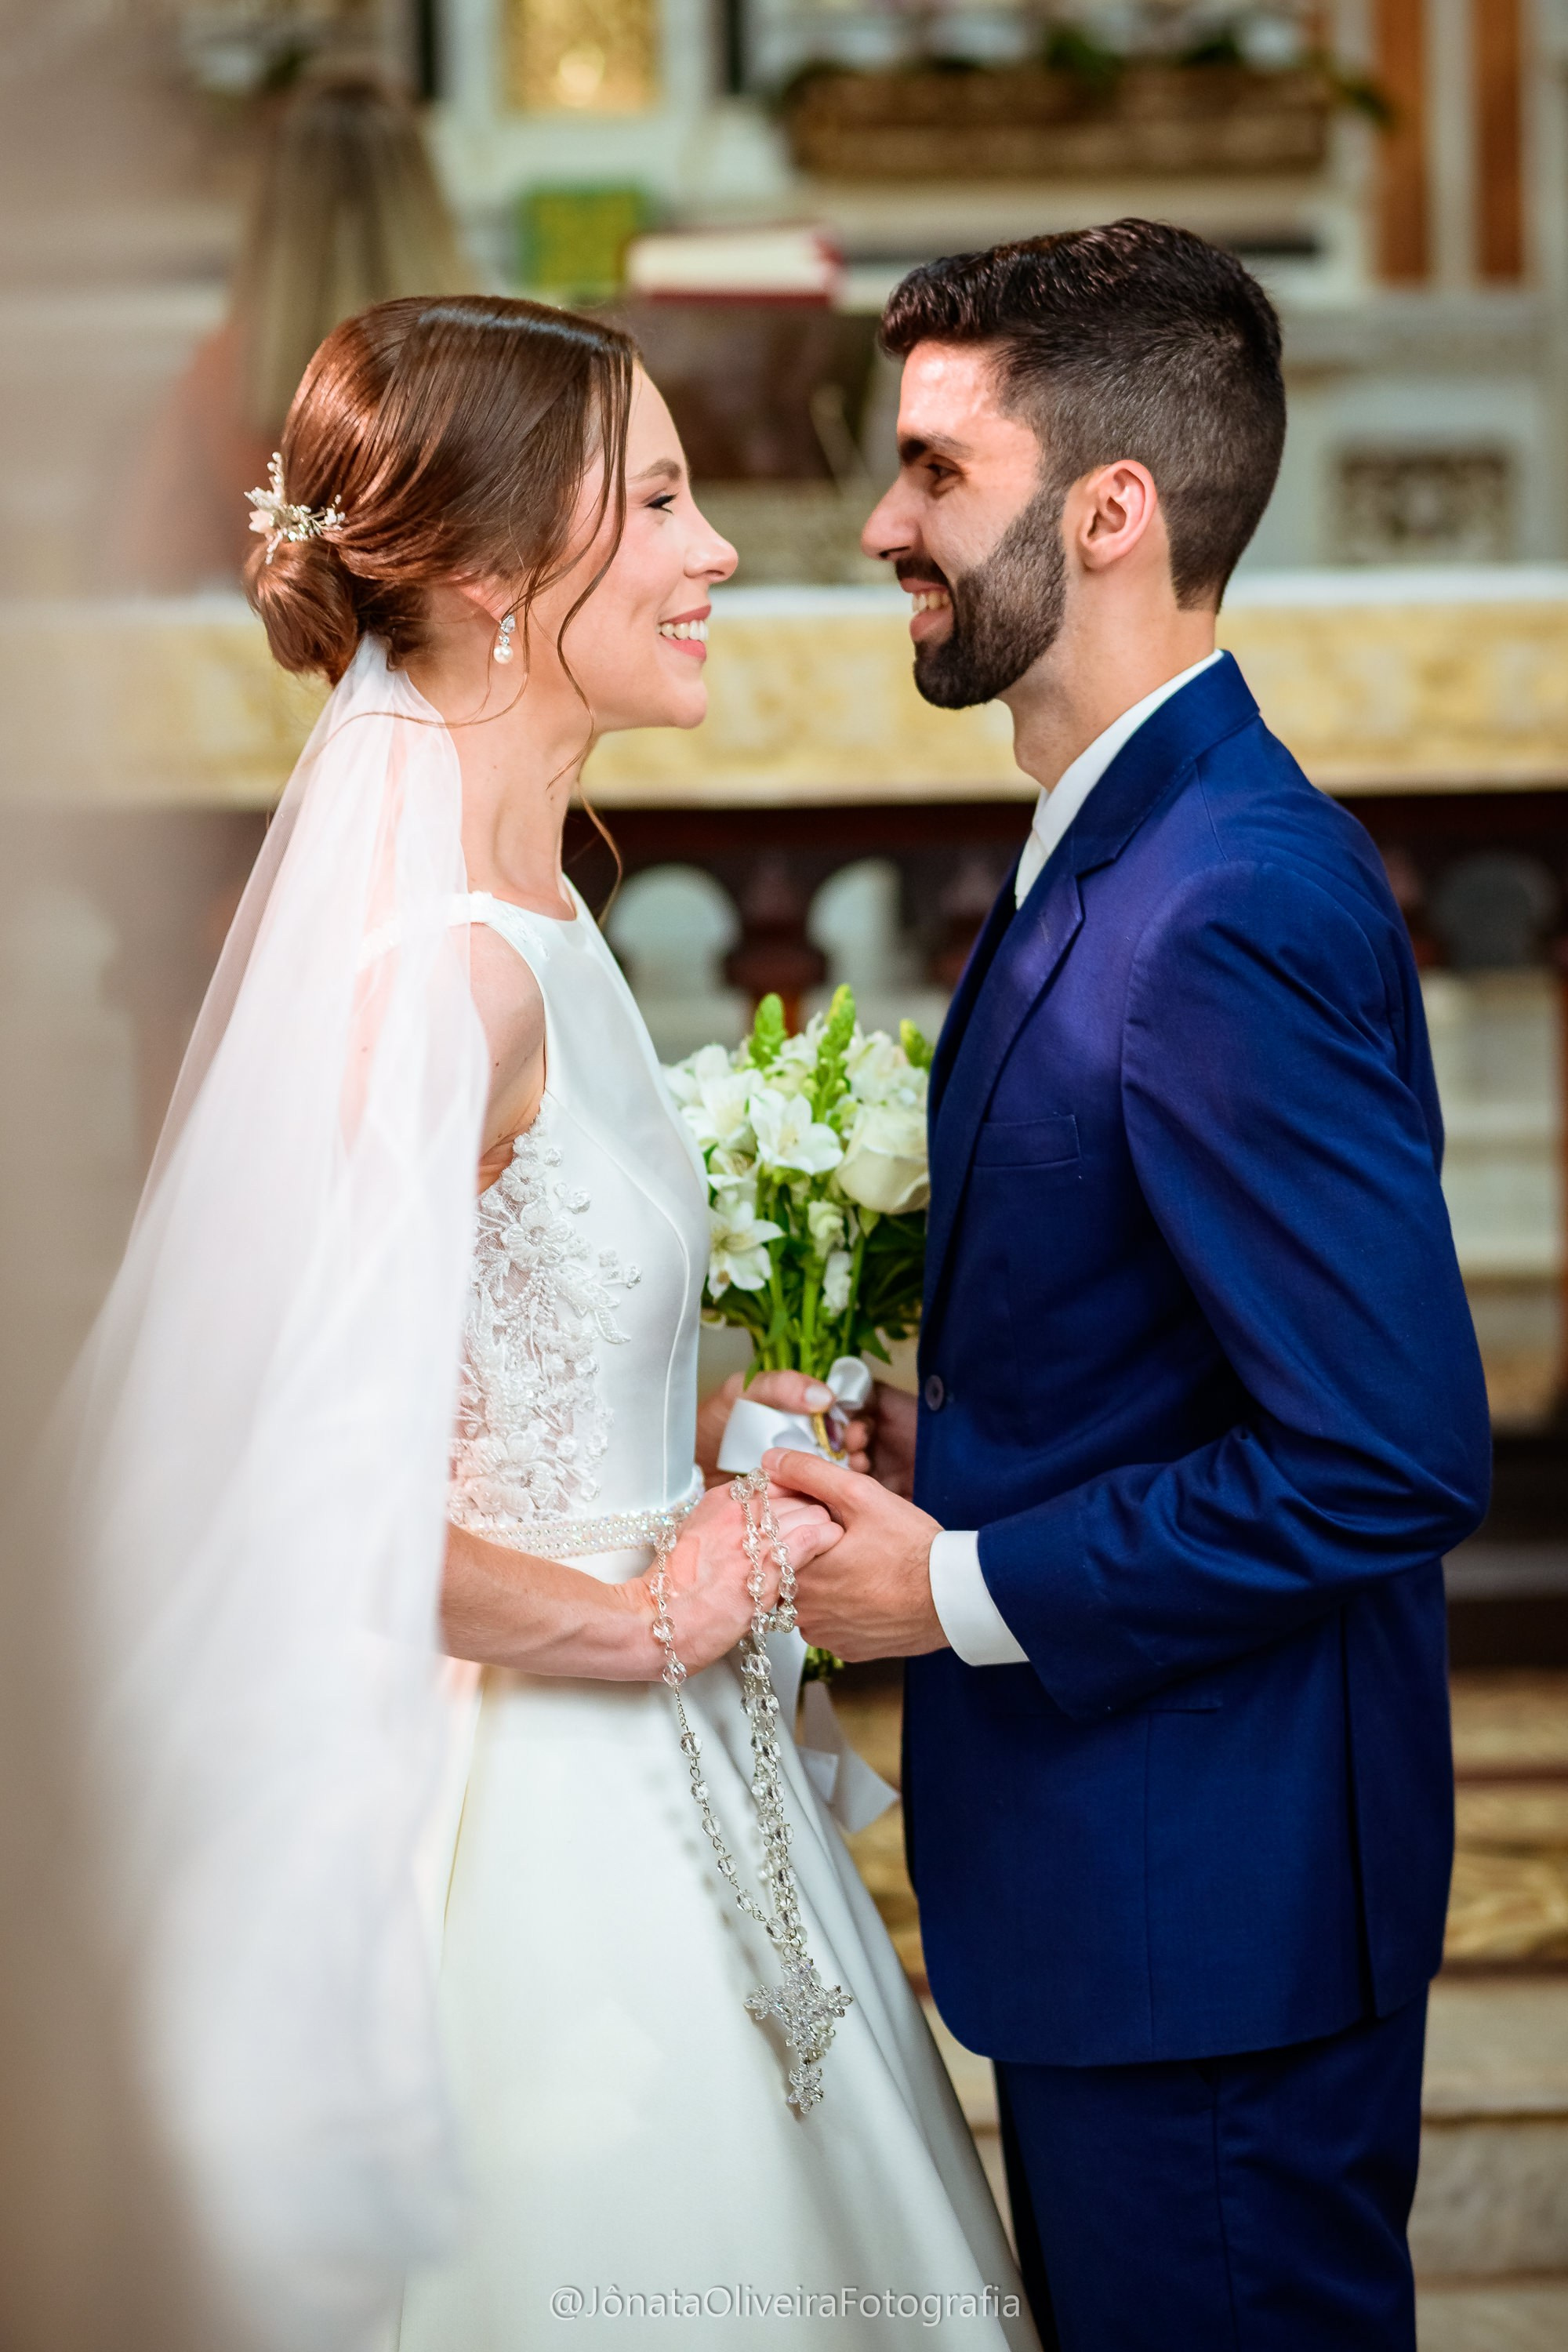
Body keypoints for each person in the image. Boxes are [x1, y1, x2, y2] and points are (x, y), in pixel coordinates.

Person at [68, 293, 1034, 2351]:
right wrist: (650, 1614)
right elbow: (305, 1507)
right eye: (664, 500)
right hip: (519, 1829)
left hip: (675, 1772)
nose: (721, 554)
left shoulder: (545, 919)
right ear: (501, 582)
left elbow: (487, 1395)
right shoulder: (442, 980)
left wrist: (696, 1451)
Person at [771, 221, 1492, 2351]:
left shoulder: (1217, 906)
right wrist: (948, 1455)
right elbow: (1189, 1348)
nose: (885, 528)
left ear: (1109, 512)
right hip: (1143, 1899)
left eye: (932, 472)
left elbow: (1385, 1453)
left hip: (1218, 1928)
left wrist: (957, 1586)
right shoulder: (1115, 839)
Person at [114, 70, 474, 589]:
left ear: (275, 207)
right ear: (424, 197)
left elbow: (155, 564)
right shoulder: (497, 368)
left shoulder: (221, 373)